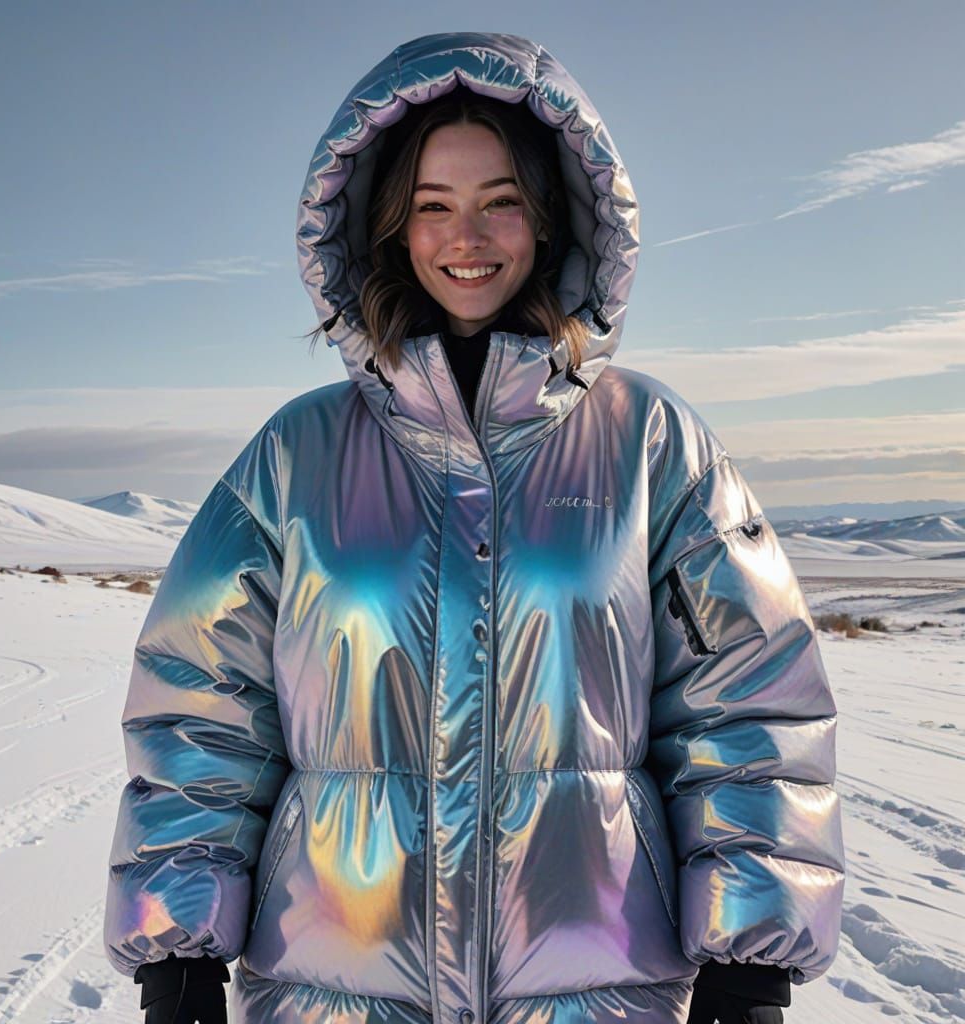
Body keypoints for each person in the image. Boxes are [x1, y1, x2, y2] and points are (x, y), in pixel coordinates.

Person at [103, 31, 844, 1024]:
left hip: (598, 992)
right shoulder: (296, 455)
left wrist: (750, 961)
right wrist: (178, 953)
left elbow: (749, 701)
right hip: (335, 992)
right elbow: (201, 708)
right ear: (387, 228)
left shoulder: (649, 444)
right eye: (432, 206)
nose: (468, 237)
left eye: (500, 201)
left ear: (550, 218)